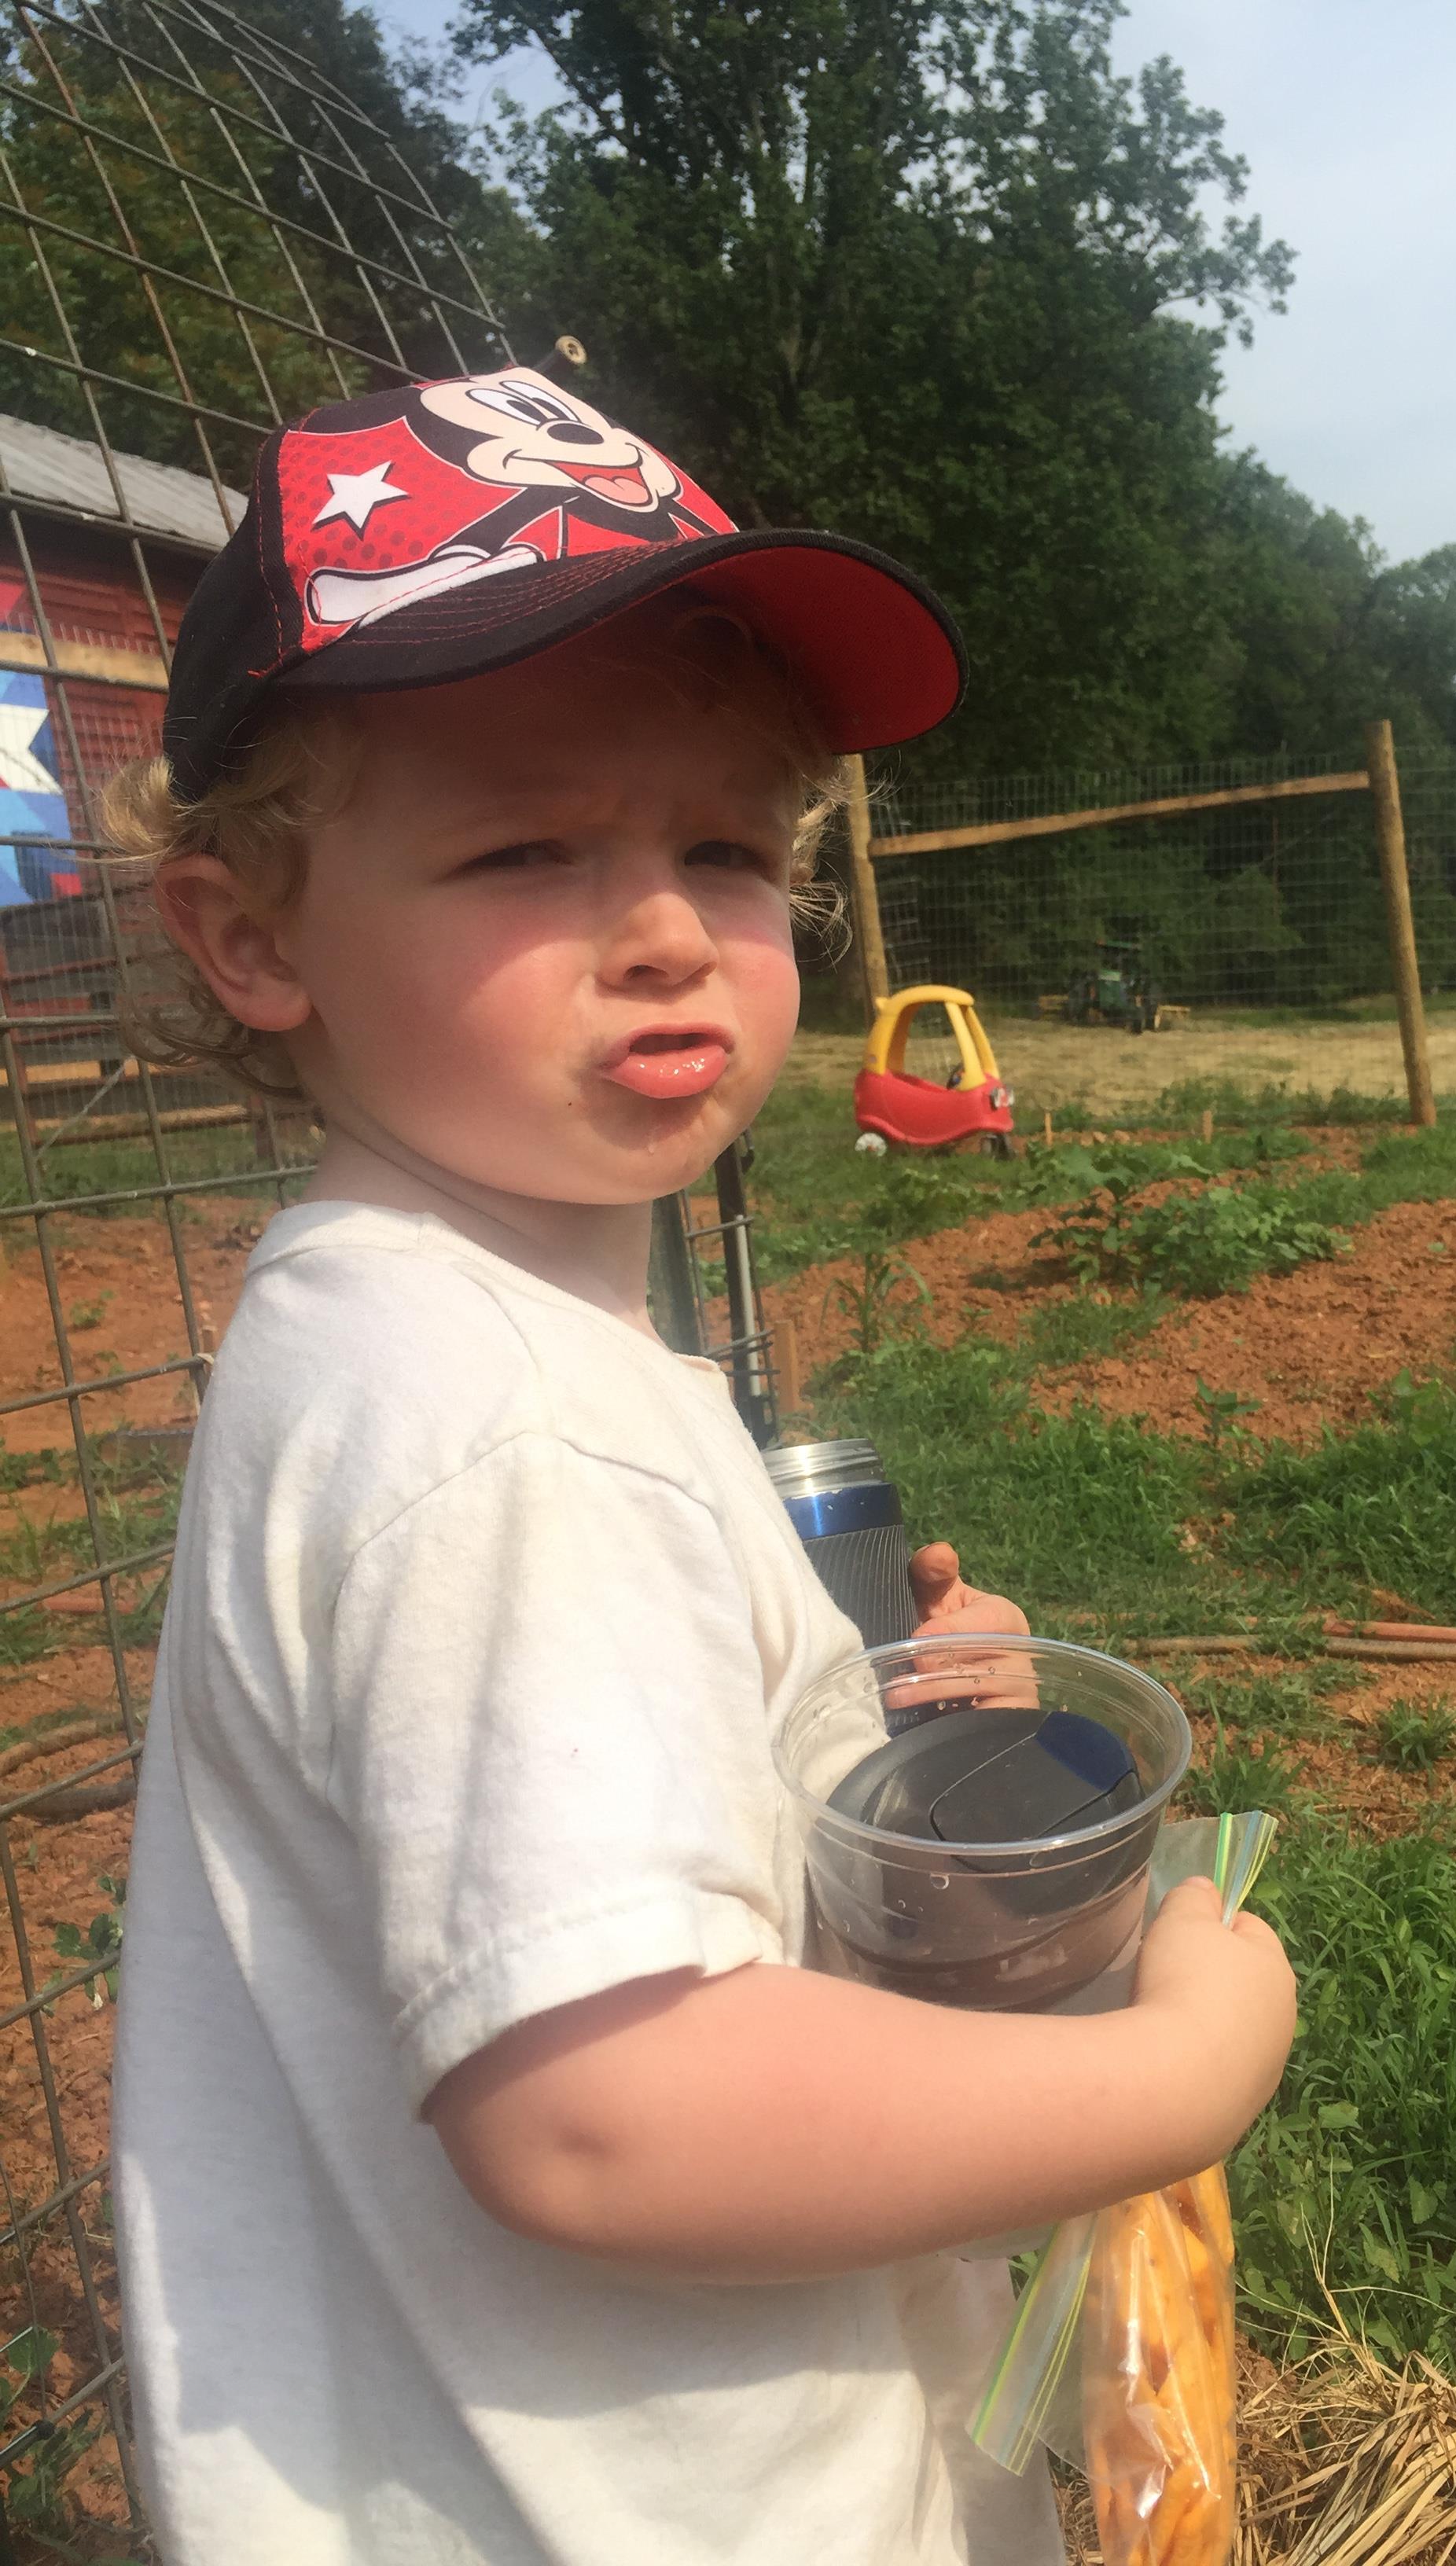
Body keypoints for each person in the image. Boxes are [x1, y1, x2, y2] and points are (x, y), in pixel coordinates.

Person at [109, 366, 1298, 2566]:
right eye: (525, 847)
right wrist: (1177, 2080)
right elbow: (609, 2114)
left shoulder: (398, 1326)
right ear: (251, 934)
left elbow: (558, 1850)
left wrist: (860, 1730)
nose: (662, 926)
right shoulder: (507, 1423)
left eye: (726, 850)